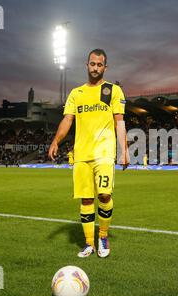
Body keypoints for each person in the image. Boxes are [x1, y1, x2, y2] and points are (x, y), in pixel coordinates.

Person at [48, 48, 129, 258]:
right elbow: (67, 120)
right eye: (92, 64)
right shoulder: (76, 93)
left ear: (105, 67)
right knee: (85, 199)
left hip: (104, 151)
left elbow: (119, 122)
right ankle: (89, 243)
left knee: (104, 194)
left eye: (99, 64)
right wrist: (56, 140)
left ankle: (103, 236)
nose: (95, 68)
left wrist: (124, 150)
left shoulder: (113, 90)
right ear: (87, 65)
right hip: (81, 154)